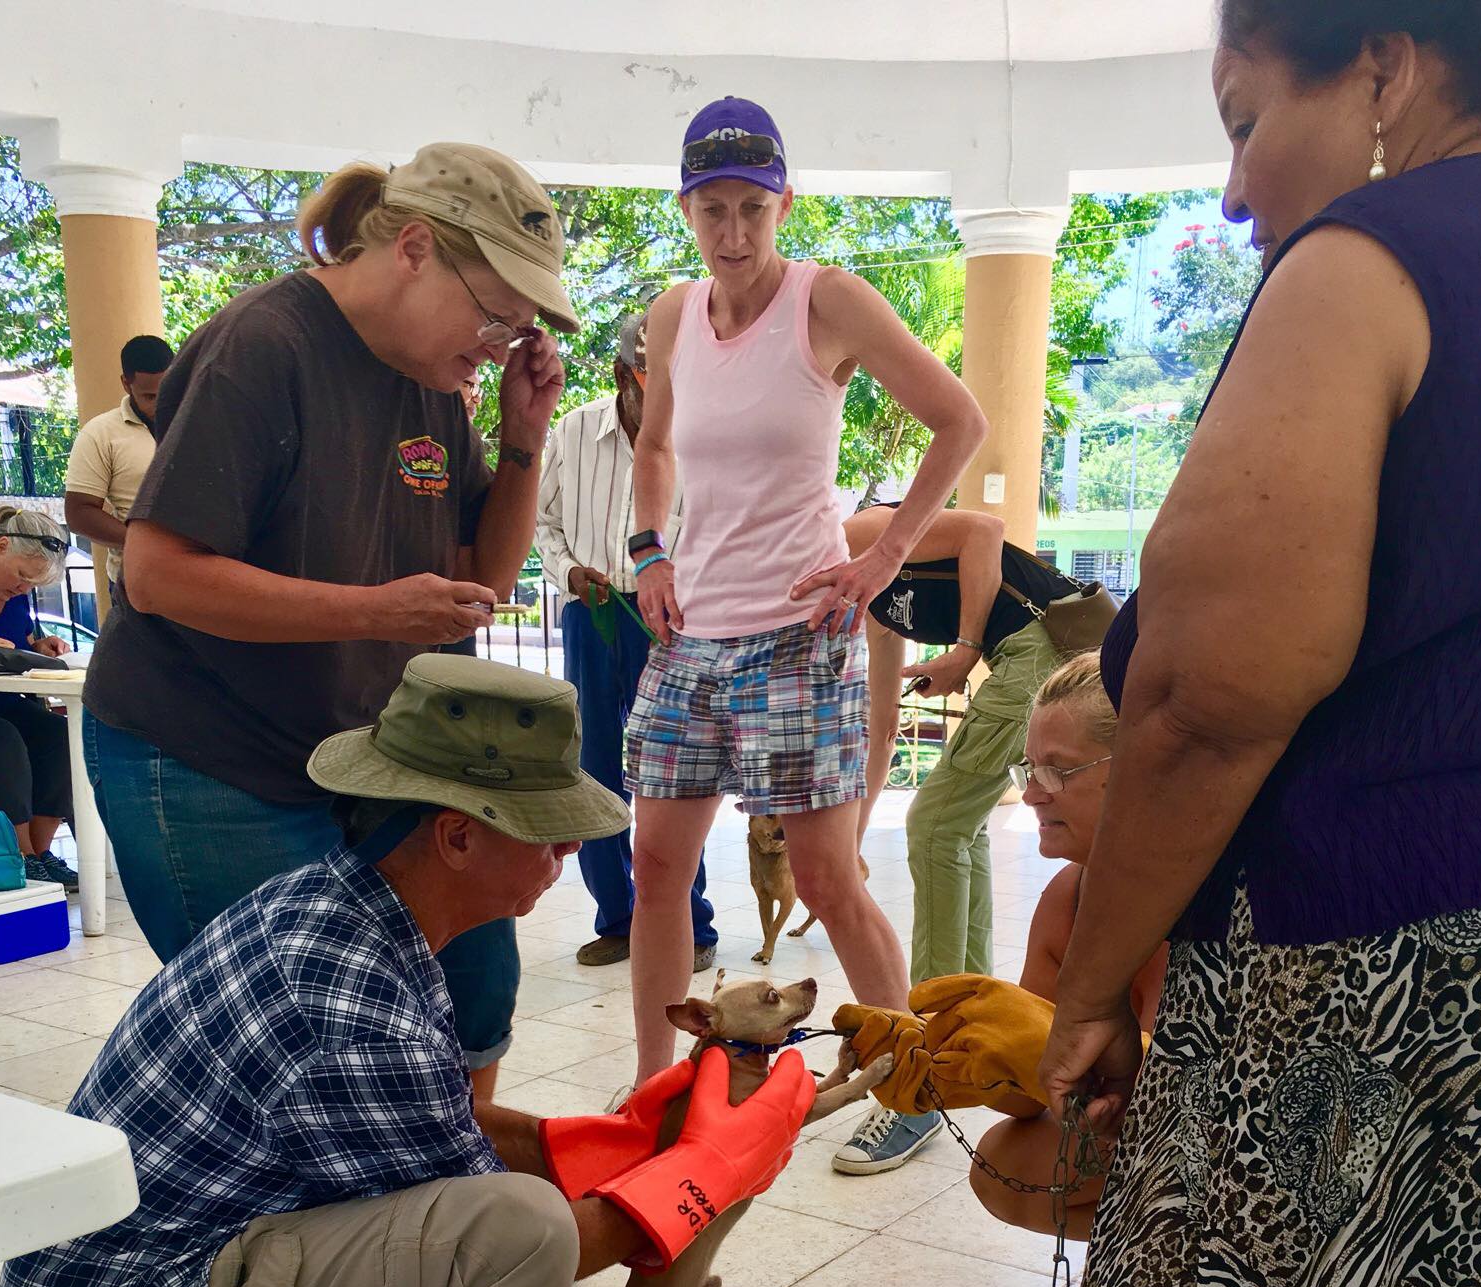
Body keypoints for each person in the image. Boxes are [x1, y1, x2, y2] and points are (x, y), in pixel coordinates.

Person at [961, 1, 1481, 1287]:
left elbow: (1203, 692)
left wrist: (1100, 975)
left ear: (1388, 72)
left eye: (1244, 112)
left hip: (1385, 1000)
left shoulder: (1370, 262)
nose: (1229, 179)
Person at [0, 659, 814, 1287]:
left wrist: (609, 1139)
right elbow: (516, 1242)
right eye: (548, 825)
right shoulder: (348, 996)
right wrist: (706, 1168)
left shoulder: (347, 909)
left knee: (499, 1208)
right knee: (515, 1240)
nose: (567, 848)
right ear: (458, 832)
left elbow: (446, 1125)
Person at [81, 143, 577, 1111]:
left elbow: (484, 572)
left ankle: (449, 1195)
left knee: (475, 978)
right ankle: (314, 1237)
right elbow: (159, 575)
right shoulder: (264, 343)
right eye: (495, 312)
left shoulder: (434, 377)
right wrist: (378, 610)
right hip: (206, 750)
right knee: (292, 1043)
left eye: (518, 326)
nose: (499, 341)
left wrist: (524, 435)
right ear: (416, 249)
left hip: (361, 753)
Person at [624, 95, 986, 1082]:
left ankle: (911, 1087)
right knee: (656, 865)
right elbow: (653, 444)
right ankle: (657, 1085)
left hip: (798, 631)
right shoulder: (672, 316)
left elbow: (960, 420)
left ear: (786, 201)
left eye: (754, 207)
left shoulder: (827, 301)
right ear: (687, 208)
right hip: (691, 634)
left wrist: (882, 559)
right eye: (714, 210)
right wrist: (649, 549)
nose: (734, 232)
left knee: (826, 875)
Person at [829, 503, 1078, 1173]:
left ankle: (929, 1069)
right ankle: (972, 1025)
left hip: (1044, 649)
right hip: (1022, 656)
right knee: (954, 828)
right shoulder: (872, 610)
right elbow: (883, 727)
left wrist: (965, 646)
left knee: (937, 825)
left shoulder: (850, 537)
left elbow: (985, 530)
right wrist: (851, 837)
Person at [535, 310, 716, 970]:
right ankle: (618, 918)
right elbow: (542, 521)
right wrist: (568, 573)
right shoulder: (575, 430)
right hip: (594, 613)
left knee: (675, 771)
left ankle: (691, 927)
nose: (671, 399)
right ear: (623, 376)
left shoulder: (700, 438)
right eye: (656, 382)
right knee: (595, 769)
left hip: (670, 621)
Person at [965, 655, 1167, 1239]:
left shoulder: (1223, 905)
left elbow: (1182, 1110)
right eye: (1028, 769)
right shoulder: (1069, 896)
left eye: (1057, 771)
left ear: (1141, 768)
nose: (1030, 795)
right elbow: (1025, 1102)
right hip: (1142, 1138)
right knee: (1006, 1164)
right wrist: (964, 1051)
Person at [0, 505, 77, 888]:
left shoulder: (15, 595)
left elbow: (22, 641)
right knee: (3, 740)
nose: (22, 589)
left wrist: (41, 645)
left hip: (0, 701)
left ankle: (41, 851)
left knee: (57, 734)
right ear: (1, 546)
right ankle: (17, 855)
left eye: (32, 586)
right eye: (21, 577)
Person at [63, 333, 174, 595]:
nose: (160, 405)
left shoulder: (200, 420)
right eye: (149, 396)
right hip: (138, 582)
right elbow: (79, 512)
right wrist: (141, 542)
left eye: (167, 391)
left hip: (203, 577)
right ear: (126, 383)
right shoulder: (100, 433)